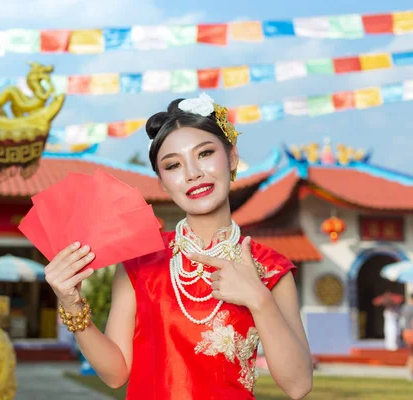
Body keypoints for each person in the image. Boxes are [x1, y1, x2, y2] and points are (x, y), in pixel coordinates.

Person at [45, 93, 313, 399]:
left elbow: (299, 385)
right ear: (161, 182)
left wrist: (258, 298)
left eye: (205, 154)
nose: (192, 173)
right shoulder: (141, 259)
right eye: (172, 165)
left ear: (232, 157)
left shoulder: (270, 267)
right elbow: (116, 374)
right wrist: (72, 305)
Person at [401, 294, 413, 381]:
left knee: (411, 353)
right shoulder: (411, 309)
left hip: (406, 332)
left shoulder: (404, 308)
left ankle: (409, 369)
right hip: (411, 332)